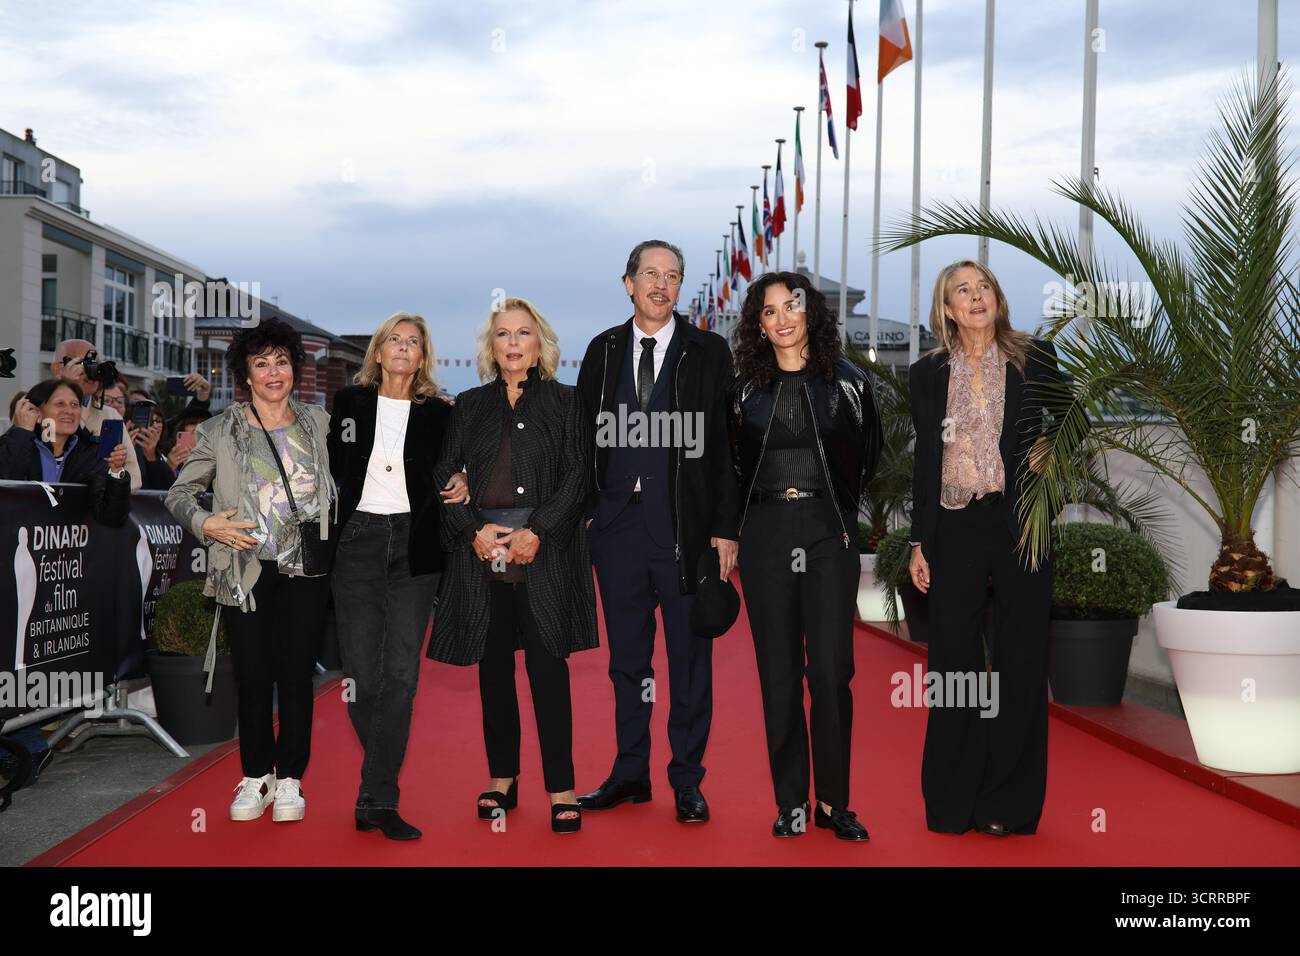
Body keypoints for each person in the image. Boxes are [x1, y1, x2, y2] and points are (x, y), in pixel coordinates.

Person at [575, 240, 740, 824]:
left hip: (684, 535)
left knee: (690, 661)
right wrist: (590, 514)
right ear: (628, 283)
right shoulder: (603, 349)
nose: (661, 285)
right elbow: (580, 437)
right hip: (617, 534)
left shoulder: (708, 351)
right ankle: (629, 773)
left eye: (673, 276)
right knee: (628, 664)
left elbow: (725, 446)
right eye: (650, 274)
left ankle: (687, 780)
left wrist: (724, 528)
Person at [907, 259, 1074, 836]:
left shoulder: (1034, 356)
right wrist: (917, 542)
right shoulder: (927, 373)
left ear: (997, 300)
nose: (975, 297)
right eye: (962, 290)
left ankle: (1008, 803)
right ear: (947, 309)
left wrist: (1053, 446)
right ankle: (953, 800)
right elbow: (925, 462)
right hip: (954, 526)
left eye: (984, 288)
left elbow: (1075, 418)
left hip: (1021, 521)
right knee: (953, 663)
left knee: (1021, 660)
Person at [428, 298, 596, 834]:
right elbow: (445, 474)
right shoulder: (470, 405)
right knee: (493, 671)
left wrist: (539, 532)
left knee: (549, 672)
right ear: (491, 346)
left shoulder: (568, 402)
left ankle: (562, 787)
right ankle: (502, 777)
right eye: (503, 334)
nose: (514, 343)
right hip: (483, 553)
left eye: (524, 333)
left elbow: (579, 478)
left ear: (540, 344)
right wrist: (471, 529)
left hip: (545, 554)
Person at [728, 271, 883, 841]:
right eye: (768, 311)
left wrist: (835, 510)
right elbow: (727, 468)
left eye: (789, 306)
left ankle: (835, 803)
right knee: (778, 674)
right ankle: (791, 801)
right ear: (759, 325)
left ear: (809, 311)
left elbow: (867, 457)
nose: (781, 317)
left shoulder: (849, 382)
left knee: (830, 671)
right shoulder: (741, 386)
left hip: (828, 532)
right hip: (766, 532)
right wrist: (726, 534)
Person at [166, 317, 336, 825]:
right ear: (246, 374)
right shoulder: (220, 429)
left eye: (281, 361)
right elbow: (178, 494)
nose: (273, 372)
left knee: (297, 675)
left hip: (306, 569)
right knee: (255, 675)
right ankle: (256, 774)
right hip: (244, 571)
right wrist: (207, 522)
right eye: (261, 364)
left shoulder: (320, 423)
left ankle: (290, 779)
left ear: (294, 368)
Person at [327, 311, 468, 840]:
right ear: (379, 352)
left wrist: (461, 478)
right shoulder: (348, 404)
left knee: (402, 677)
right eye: (395, 340)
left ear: (423, 355)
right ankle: (381, 774)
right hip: (357, 543)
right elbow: (330, 466)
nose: (404, 348)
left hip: (416, 544)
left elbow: (457, 465)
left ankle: (378, 798)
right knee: (361, 679)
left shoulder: (439, 412)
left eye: (414, 342)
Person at [0, 379, 130, 526]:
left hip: (65, 547)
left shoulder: (91, 455)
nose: (69, 411)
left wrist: (117, 472)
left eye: (75, 405)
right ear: (37, 412)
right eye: (60, 404)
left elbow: (112, 518)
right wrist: (22, 432)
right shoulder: (13, 444)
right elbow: (6, 483)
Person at [50, 339, 142, 490]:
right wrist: (67, 388)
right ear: (57, 369)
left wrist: (105, 494)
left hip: (98, 508)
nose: (90, 372)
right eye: (82, 363)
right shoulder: (36, 406)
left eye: (95, 364)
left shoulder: (111, 415)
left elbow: (134, 475)